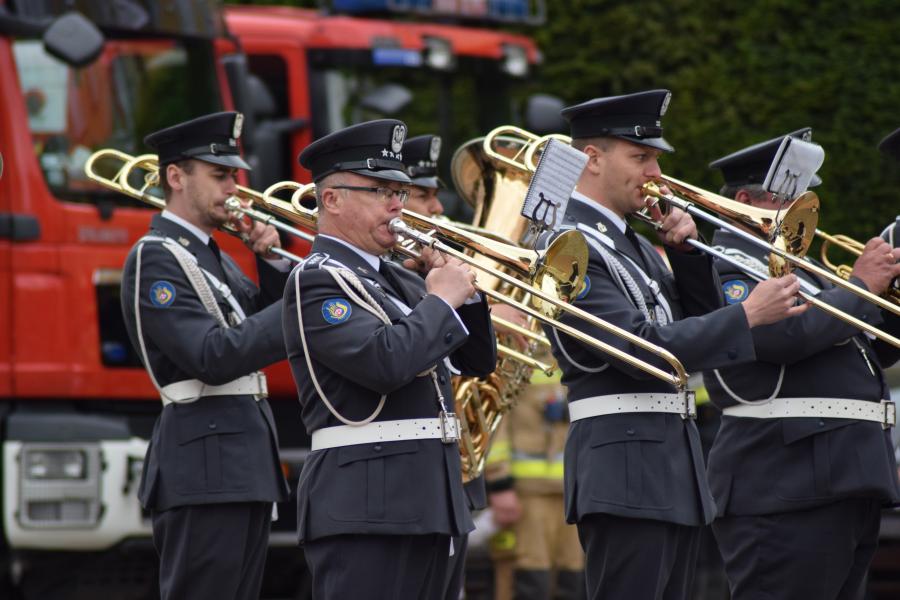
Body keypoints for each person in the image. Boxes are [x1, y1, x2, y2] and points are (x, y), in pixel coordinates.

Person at [540, 89, 806, 600]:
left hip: (667, 464)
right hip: (625, 468)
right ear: (591, 159)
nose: (654, 174)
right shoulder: (569, 242)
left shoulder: (634, 240)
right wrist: (748, 313)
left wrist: (684, 257)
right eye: (640, 157)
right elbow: (639, 350)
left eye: (655, 160)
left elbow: (695, 328)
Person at [282, 119, 498, 598]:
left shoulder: (399, 278)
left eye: (399, 191)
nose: (398, 204)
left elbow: (475, 363)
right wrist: (440, 302)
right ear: (332, 198)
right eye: (380, 190)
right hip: (368, 506)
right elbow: (384, 364)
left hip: (428, 500)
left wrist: (467, 292)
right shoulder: (318, 278)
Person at [703, 129, 900, 600]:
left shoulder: (803, 269)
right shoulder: (730, 258)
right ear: (747, 199)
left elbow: (870, 352)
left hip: (842, 475)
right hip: (787, 481)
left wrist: (883, 300)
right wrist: (860, 288)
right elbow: (780, 338)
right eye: (786, 198)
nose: (801, 212)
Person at [120, 111, 291, 600]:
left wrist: (273, 261)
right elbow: (211, 356)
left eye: (234, 175)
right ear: (176, 177)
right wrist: (306, 300)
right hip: (206, 468)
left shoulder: (209, 253)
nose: (233, 188)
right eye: (219, 176)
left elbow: (264, 327)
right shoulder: (156, 256)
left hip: (241, 465)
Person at [483, 332, 586, 600]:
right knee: (528, 582)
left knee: (573, 582)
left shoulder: (574, 341)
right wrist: (499, 484)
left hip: (575, 493)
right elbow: (495, 421)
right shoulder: (513, 342)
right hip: (526, 494)